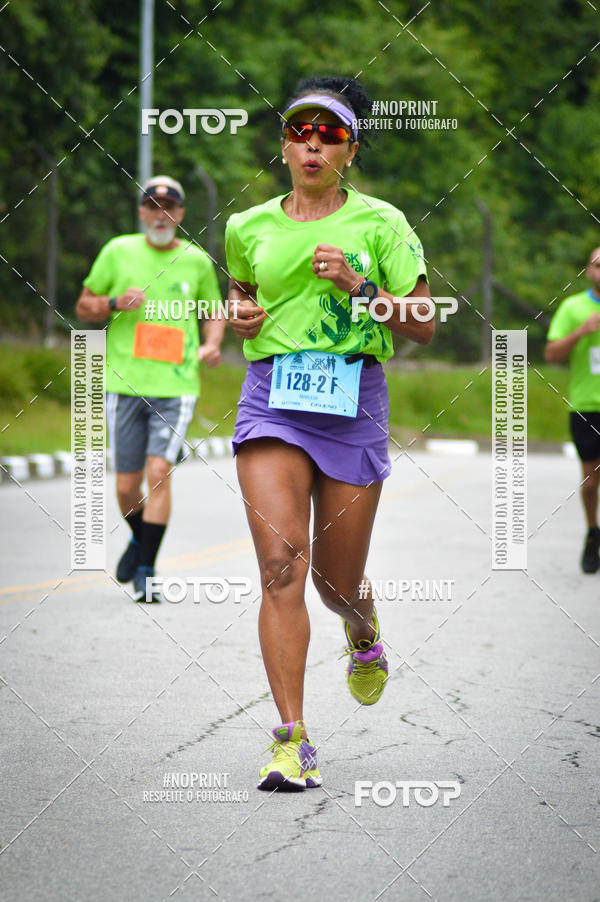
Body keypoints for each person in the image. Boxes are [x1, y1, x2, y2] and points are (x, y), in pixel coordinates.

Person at [225, 76, 434, 791]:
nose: (313, 144)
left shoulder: (383, 223)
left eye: (330, 134)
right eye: (300, 131)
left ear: (351, 150)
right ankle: (292, 741)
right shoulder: (248, 226)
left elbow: (424, 323)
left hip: (353, 400)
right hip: (273, 400)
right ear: (284, 145)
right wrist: (239, 314)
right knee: (281, 564)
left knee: (334, 585)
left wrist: (359, 287)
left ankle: (361, 627)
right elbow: (242, 292)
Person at [76, 175, 224, 601]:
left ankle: (147, 569)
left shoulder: (196, 261)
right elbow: (84, 306)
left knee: (159, 472)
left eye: (169, 208)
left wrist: (212, 344)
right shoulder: (118, 251)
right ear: (141, 212)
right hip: (123, 384)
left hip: (176, 386)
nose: (160, 215)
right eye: (152, 207)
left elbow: (214, 312)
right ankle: (141, 538)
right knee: (127, 486)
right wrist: (112, 303)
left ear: (180, 214)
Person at [545, 248, 600, 572]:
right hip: (586, 406)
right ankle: (593, 532)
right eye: (598, 265)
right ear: (588, 271)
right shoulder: (573, 308)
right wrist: (582, 331)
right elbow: (552, 354)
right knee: (591, 482)